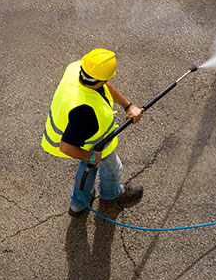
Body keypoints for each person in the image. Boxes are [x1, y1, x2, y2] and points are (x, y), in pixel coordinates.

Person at [42, 48, 144, 217]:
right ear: (102, 79)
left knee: (88, 168)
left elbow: (104, 85)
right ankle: (111, 193)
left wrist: (128, 106)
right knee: (111, 167)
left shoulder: (76, 68)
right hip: (91, 144)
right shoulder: (84, 112)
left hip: (83, 138)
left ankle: (78, 204)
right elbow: (66, 147)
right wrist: (91, 156)